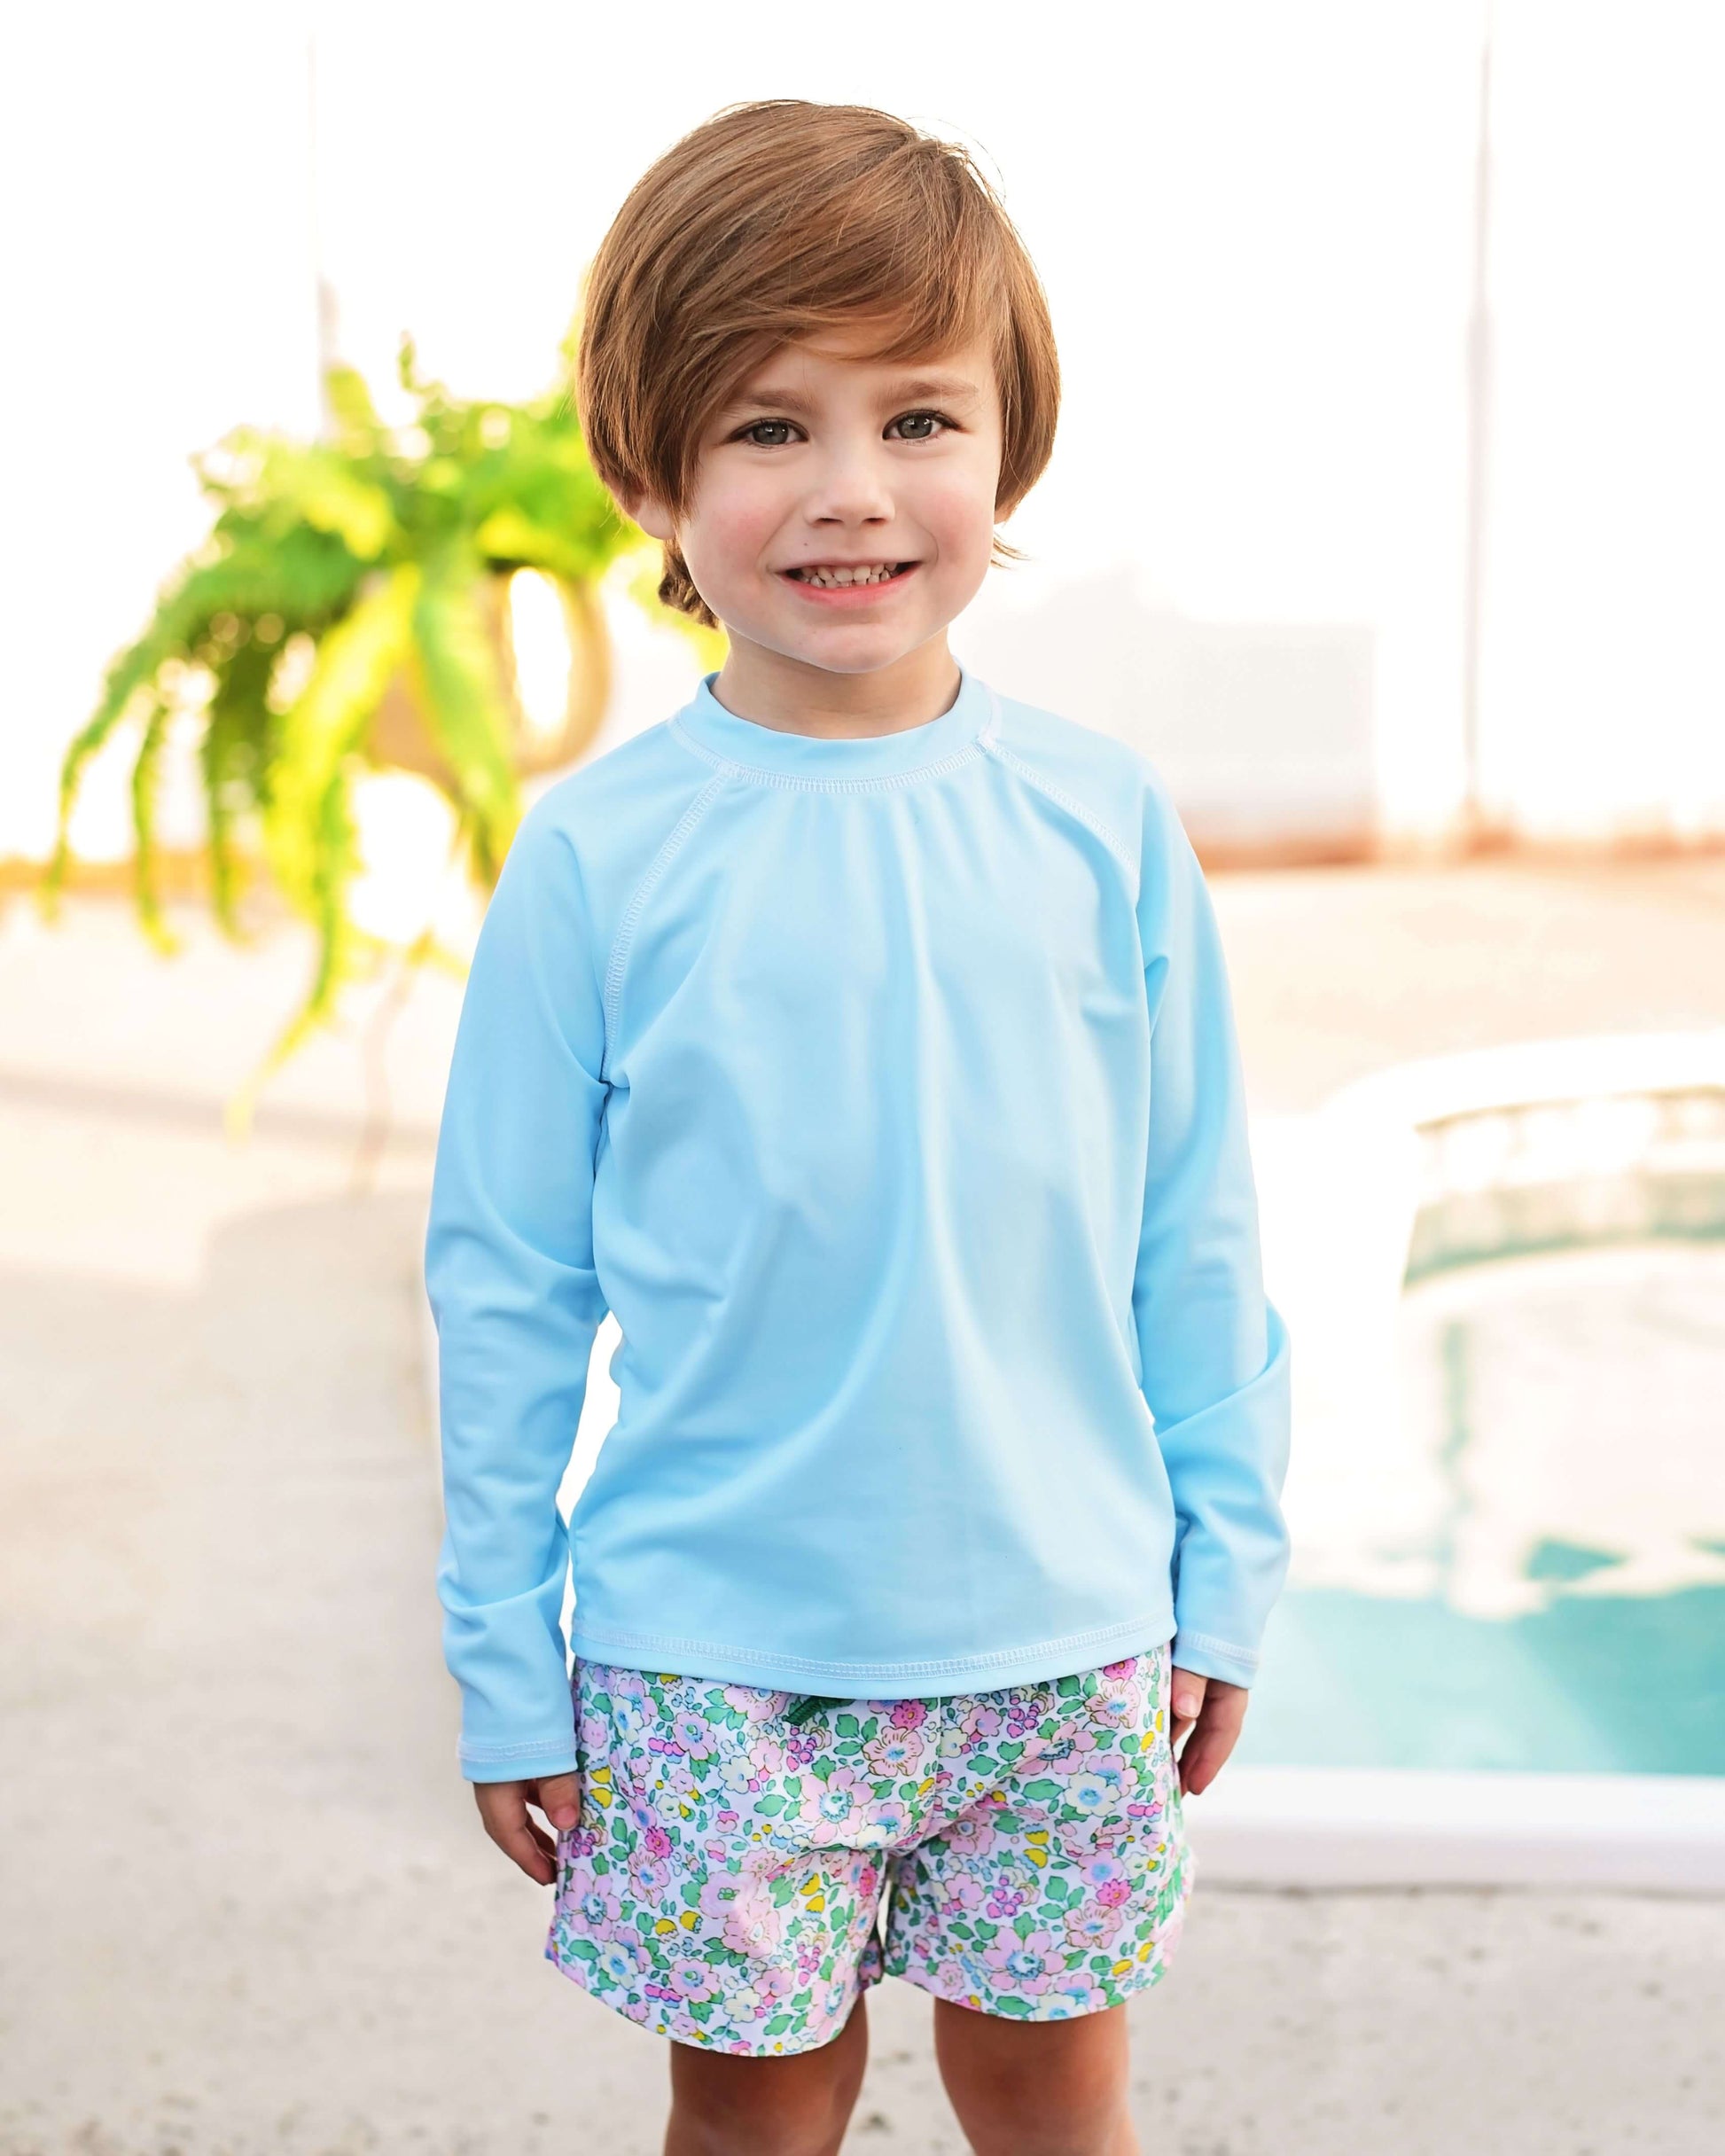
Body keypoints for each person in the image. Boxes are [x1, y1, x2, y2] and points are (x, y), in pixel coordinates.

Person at [425, 98, 1292, 2156]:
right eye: (765, 427)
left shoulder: (1097, 822)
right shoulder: (600, 863)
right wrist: (501, 1657)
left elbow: (1197, 1227)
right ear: (650, 471)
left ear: (1007, 447)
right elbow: (506, 1290)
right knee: (755, 2106)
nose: (850, 492)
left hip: (1067, 1632)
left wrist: (1224, 1562)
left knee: (1048, 2088)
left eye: (917, 420)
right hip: (710, 1654)